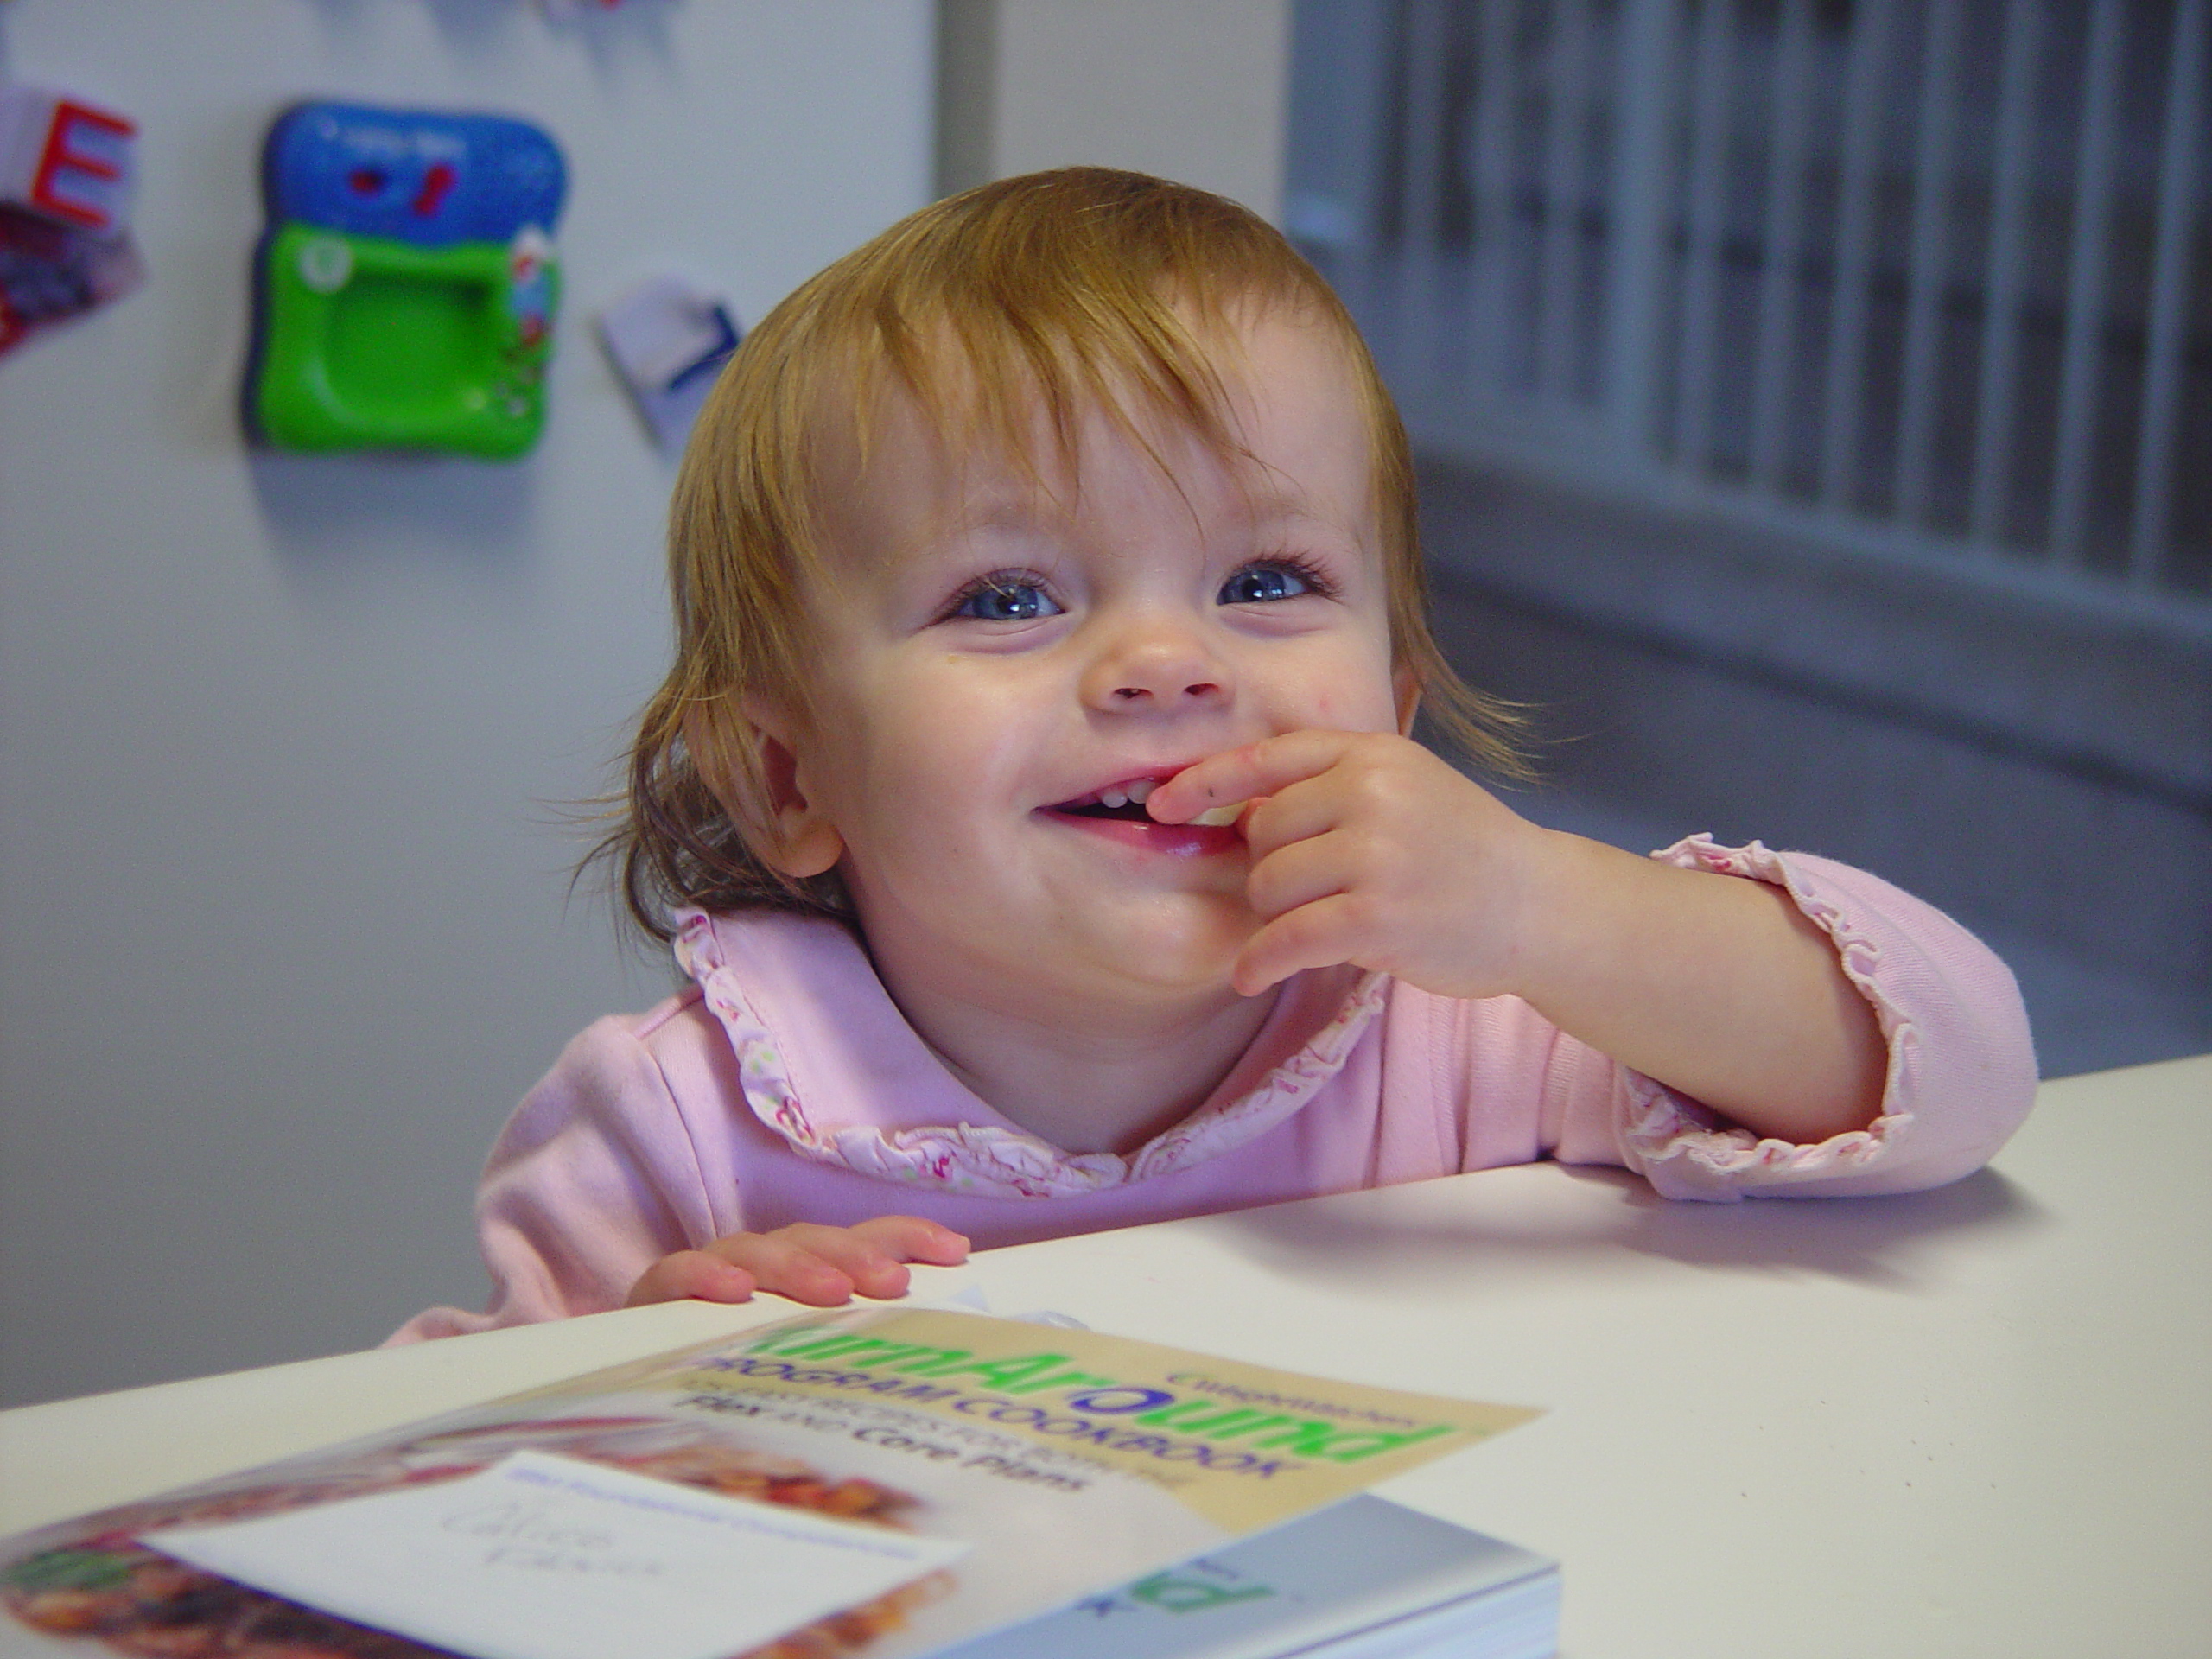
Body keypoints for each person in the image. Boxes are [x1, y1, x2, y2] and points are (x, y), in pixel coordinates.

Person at [393, 169, 2035, 1343]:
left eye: (1267, 582)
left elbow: (1960, 1080)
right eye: (1010, 594)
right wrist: (625, 1370)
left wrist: (1544, 909)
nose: (1171, 662)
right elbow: (417, 1493)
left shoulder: (1473, 1028)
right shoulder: (681, 1127)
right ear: (787, 781)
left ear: (1392, 714)